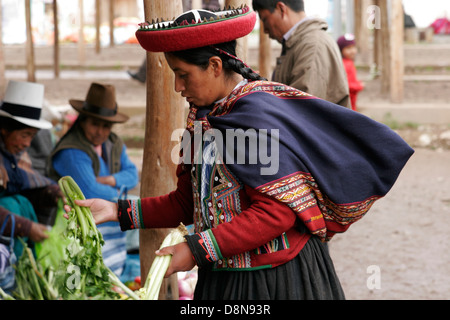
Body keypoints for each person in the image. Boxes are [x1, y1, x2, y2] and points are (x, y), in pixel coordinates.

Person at [66, 7, 414, 300]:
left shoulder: (251, 117)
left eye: (183, 74)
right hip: (223, 278)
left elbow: (276, 214)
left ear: (215, 66)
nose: (177, 86)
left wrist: (197, 249)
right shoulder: (203, 122)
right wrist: (116, 211)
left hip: (274, 281)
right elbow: (190, 205)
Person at [48, 82, 139, 276]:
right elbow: (90, 191)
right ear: (82, 121)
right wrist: (120, 192)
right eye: (94, 124)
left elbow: (132, 175)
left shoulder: (113, 143)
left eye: (106, 126)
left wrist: (108, 180)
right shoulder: (72, 151)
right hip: (70, 221)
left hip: (104, 213)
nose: (100, 131)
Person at [0, 80, 61, 257]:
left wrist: (54, 193)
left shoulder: (13, 160)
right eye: (24, 135)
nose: (27, 144)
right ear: (4, 130)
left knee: (20, 201)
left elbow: (24, 185)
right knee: (11, 203)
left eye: (32, 136)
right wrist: (25, 227)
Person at [252, 0, 350, 108]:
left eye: (265, 19)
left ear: (281, 9)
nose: (265, 30)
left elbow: (302, 110)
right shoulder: (298, 43)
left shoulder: (312, 46)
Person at [337, 33, 364, 111]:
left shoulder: (348, 62)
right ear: (341, 50)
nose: (352, 51)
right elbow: (346, 84)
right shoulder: (346, 64)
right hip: (348, 102)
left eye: (353, 47)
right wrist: (359, 85)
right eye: (348, 48)